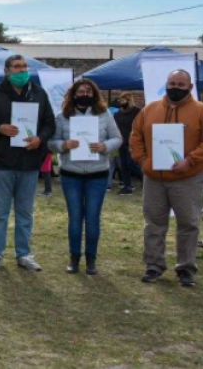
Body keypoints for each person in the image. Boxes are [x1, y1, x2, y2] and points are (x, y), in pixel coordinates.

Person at [131, 70, 203, 287]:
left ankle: (186, 269)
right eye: (172, 83)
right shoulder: (149, 110)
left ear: (190, 87)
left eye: (181, 84)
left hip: (188, 178)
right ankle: (153, 265)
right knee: (154, 223)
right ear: (166, 84)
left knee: (188, 223)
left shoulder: (202, 111)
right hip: (154, 178)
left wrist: (190, 160)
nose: (176, 87)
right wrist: (143, 161)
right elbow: (136, 137)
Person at [0, 54, 56, 272]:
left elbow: (50, 123)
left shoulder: (39, 93)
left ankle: (24, 254)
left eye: (24, 67)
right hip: (2, 162)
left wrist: (40, 139)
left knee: (25, 212)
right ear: (7, 71)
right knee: (0, 212)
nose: (22, 71)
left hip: (30, 162)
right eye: (17, 67)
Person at [47, 79, 122, 275]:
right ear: (73, 94)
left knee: (92, 219)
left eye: (89, 91)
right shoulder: (62, 117)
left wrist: (105, 146)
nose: (85, 94)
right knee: (74, 218)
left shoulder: (104, 114)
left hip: (98, 174)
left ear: (95, 94)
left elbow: (118, 138)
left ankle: (91, 258)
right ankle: (74, 257)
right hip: (71, 174)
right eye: (81, 91)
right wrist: (63, 145)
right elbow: (51, 142)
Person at [114, 92, 141, 195]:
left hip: (133, 142)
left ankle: (144, 177)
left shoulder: (137, 112)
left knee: (131, 163)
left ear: (129, 101)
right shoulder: (117, 114)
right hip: (121, 142)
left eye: (123, 100)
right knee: (123, 165)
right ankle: (127, 186)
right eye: (120, 100)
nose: (121, 102)